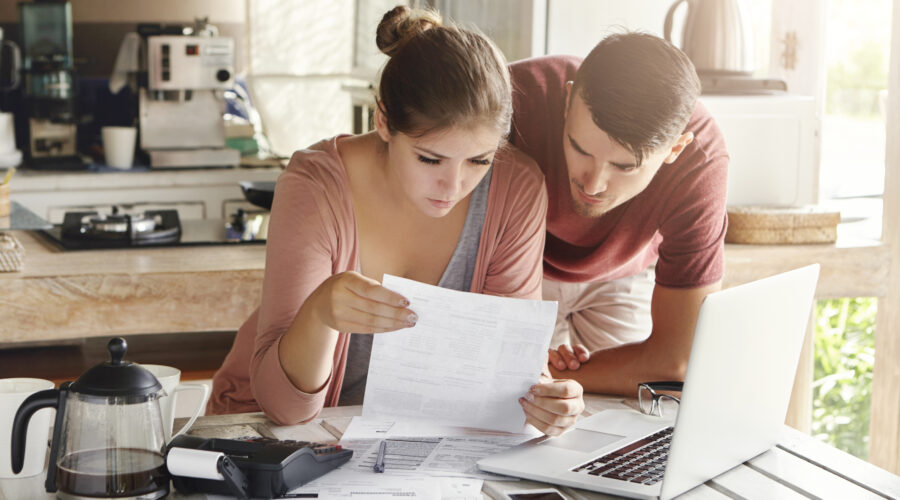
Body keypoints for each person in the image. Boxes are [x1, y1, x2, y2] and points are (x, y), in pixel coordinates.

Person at [209, 6, 585, 436]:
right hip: (275, 434)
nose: (454, 185)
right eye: (430, 158)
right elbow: (284, 408)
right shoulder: (313, 186)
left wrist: (545, 400)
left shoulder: (516, 188)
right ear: (383, 120)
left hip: (425, 442)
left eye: (479, 160)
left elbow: (506, 373)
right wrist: (319, 314)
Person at [508, 33, 729, 395]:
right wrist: (516, 371)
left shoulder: (702, 162)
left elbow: (676, 364)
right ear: (567, 101)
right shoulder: (510, 98)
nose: (593, 185)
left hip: (624, 272)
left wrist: (542, 374)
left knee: (632, 415)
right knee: (504, 409)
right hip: (517, 265)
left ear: (675, 149)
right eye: (579, 148)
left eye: (624, 167)